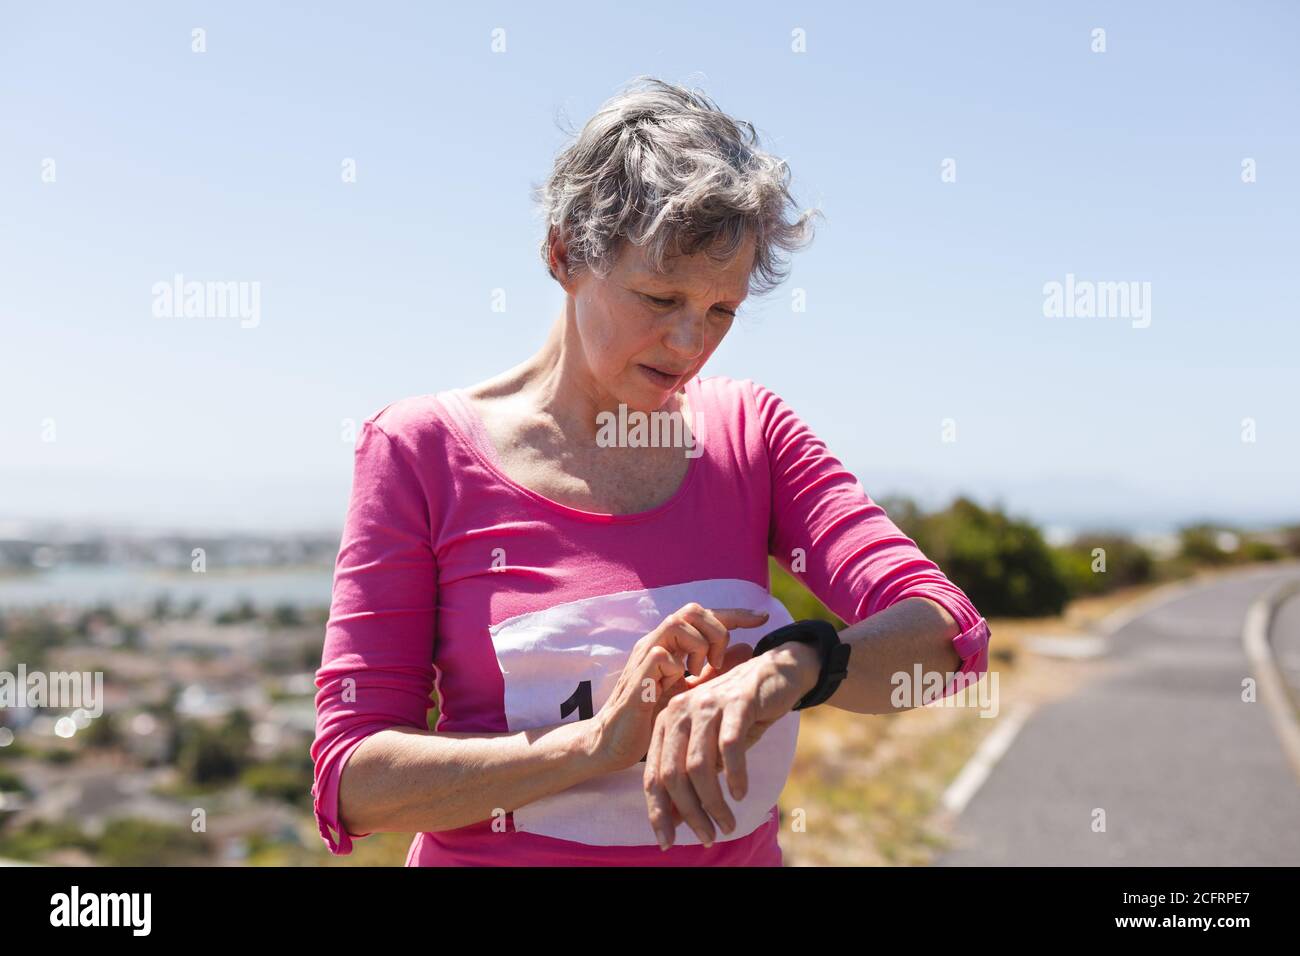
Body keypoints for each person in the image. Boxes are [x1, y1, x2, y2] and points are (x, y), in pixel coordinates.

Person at [310, 75, 991, 866]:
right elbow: (353, 783)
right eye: (659, 297)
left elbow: (948, 637)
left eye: (720, 311)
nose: (688, 345)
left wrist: (795, 665)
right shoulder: (420, 450)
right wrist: (594, 744)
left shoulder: (750, 435)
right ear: (565, 254)